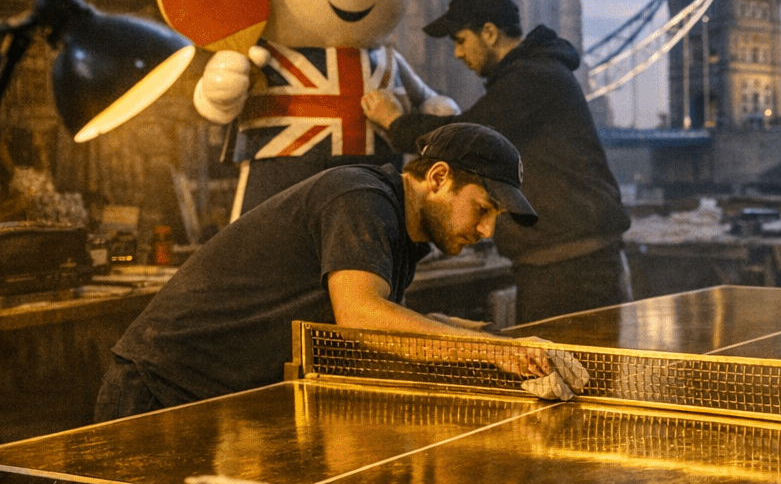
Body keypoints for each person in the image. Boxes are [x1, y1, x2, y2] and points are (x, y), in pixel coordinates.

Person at [95, 123, 560, 420]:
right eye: (482, 208)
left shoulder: (402, 231)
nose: (485, 229)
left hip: (218, 400)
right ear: (438, 178)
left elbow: (390, 324)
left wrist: (506, 346)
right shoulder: (359, 198)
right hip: (159, 389)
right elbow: (362, 317)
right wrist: (491, 350)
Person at [361, 0, 631, 324]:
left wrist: (395, 122)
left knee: (560, 370)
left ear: (489, 33)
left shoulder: (534, 78)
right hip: (569, 262)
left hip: (573, 270)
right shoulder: (537, 74)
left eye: (460, 40)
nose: (458, 54)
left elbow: (466, 136)